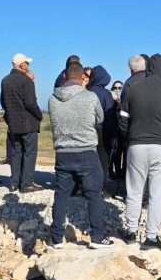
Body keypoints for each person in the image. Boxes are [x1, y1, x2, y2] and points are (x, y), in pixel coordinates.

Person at [119, 54, 161, 250]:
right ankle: (151, 237)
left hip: (136, 145)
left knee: (134, 190)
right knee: (157, 193)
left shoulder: (132, 89)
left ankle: (131, 230)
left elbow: (122, 119)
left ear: (148, 69)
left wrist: (129, 138)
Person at [48, 62, 114, 249]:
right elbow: (100, 118)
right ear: (83, 78)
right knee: (94, 195)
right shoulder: (90, 96)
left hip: (62, 152)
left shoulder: (53, 99)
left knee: (61, 195)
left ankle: (56, 238)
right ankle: (97, 237)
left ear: (65, 77)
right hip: (86, 151)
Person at [0, 53, 44, 193]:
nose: (28, 66)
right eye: (27, 63)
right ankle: (26, 183)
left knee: (17, 153)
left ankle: (14, 183)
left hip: (14, 123)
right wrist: (39, 115)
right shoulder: (26, 81)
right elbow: (31, 103)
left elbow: (3, 102)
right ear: (22, 65)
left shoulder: (5, 80)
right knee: (30, 153)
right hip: (28, 122)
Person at [87, 65, 117, 196]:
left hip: (88, 130)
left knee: (89, 161)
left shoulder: (86, 92)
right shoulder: (106, 94)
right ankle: (102, 188)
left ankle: (86, 187)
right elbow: (110, 116)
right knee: (103, 161)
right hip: (103, 131)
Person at [108, 80, 126, 180]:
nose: (117, 90)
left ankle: (120, 172)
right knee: (112, 152)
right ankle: (110, 172)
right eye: (115, 88)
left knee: (121, 152)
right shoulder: (110, 102)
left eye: (120, 88)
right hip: (113, 131)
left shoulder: (125, 101)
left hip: (122, 131)